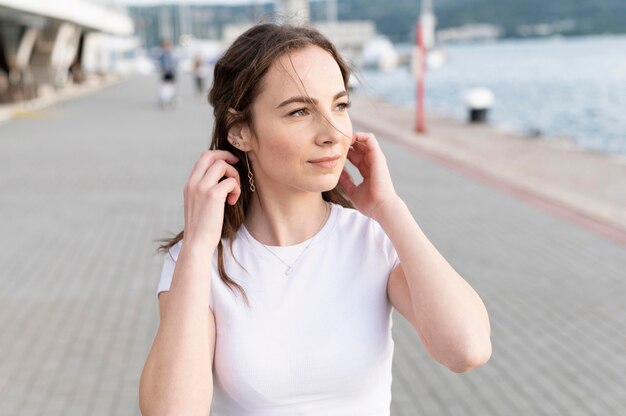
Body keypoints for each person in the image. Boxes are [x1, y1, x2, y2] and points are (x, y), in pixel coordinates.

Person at [139, 23, 491, 415]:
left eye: (340, 106)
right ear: (240, 131)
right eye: (300, 111)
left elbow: (467, 350)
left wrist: (389, 209)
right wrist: (199, 246)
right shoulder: (201, 261)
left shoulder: (374, 239)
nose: (332, 133)